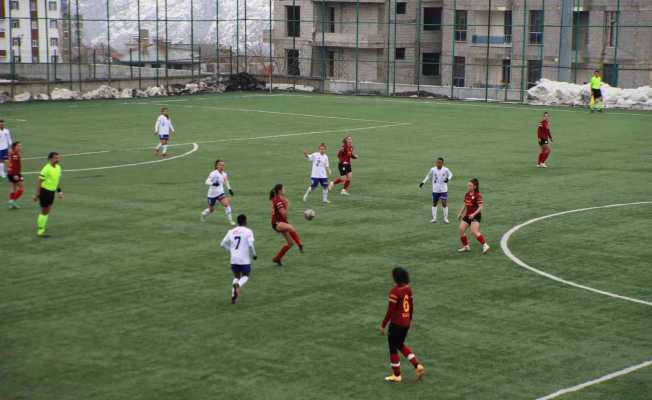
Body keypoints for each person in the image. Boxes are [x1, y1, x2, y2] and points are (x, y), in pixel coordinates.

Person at [380, 266, 425, 383]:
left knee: (393, 348)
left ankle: (397, 375)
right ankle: (417, 365)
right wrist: (409, 320)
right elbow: (411, 307)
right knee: (400, 344)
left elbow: (390, 311)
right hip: (405, 323)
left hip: (396, 324)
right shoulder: (408, 289)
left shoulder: (394, 292)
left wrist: (383, 325)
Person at [220, 214, 257, 304]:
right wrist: (254, 254)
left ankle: (233, 296)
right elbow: (251, 245)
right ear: (245, 221)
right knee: (246, 276)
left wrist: (231, 250)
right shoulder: (248, 231)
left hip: (234, 259)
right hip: (244, 259)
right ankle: (238, 285)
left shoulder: (231, 231)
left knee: (236, 276)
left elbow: (222, 244)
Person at [270, 184, 303, 266]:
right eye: (283, 188)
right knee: (291, 228)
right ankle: (300, 244)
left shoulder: (279, 199)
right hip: (277, 223)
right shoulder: (279, 201)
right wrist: (286, 204)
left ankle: (277, 258)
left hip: (282, 222)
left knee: (290, 243)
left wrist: (285, 203)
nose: (284, 190)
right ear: (279, 191)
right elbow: (284, 214)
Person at [33, 152, 63, 237]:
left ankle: (42, 228)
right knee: (44, 211)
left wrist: (59, 191)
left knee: (47, 210)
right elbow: (40, 182)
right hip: (45, 192)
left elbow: (56, 180)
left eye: (58, 158)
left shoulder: (58, 167)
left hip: (52, 192)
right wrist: (36, 194)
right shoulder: (46, 169)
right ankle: (40, 229)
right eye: (55, 158)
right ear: (50, 159)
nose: (57, 159)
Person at [457, 178, 490, 254]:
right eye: (468, 185)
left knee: (474, 231)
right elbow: (465, 204)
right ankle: (466, 247)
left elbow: (481, 207)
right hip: (468, 215)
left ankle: (485, 245)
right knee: (461, 229)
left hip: (475, 216)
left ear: (474, 187)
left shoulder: (477, 195)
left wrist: (473, 214)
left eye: (470, 186)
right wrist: (460, 213)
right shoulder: (467, 194)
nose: (468, 187)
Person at [201, 159, 235, 225]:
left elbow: (226, 181)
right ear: (217, 166)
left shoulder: (224, 174)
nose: (222, 166)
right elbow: (206, 181)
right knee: (211, 210)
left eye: (223, 165)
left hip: (220, 193)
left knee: (226, 204)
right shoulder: (213, 173)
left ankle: (231, 220)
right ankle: (203, 214)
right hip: (211, 194)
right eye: (221, 165)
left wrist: (229, 189)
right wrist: (213, 184)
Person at [419, 157, 453, 223]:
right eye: (437, 162)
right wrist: (423, 182)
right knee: (434, 203)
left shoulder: (446, 169)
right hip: (435, 190)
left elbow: (451, 174)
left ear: (442, 163)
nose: (438, 164)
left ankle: (445, 219)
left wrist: (448, 179)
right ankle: (434, 218)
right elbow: (428, 176)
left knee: (444, 203)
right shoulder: (433, 169)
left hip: (443, 189)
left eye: (439, 163)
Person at [7, 141, 24, 209]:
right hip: (15, 174)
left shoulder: (13, 153)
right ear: (15, 147)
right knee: (21, 189)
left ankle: (11, 204)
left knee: (14, 188)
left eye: (20, 146)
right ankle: (12, 201)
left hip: (11, 173)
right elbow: (13, 164)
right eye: (19, 146)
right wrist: (15, 175)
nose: (20, 147)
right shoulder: (15, 154)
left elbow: (10, 163)